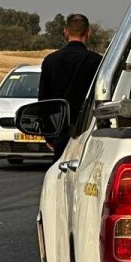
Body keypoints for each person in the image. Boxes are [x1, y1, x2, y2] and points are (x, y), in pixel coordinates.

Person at [37, 14, 102, 156]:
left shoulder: (51, 60)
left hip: (60, 131)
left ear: (66, 32)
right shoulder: (97, 61)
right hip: (89, 130)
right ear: (88, 33)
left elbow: (43, 100)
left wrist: (49, 134)